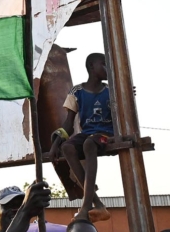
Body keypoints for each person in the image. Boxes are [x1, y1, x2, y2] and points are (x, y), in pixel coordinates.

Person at [49, 53, 113, 224]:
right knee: (68, 147)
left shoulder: (111, 90)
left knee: (89, 144)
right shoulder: (76, 92)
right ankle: (97, 203)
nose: (108, 67)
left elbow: (123, 107)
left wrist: (126, 91)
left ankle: (86, 206)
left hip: (107, 134)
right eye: (104, 63)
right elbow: (69, 123)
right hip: (88, 134)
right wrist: (56, 143)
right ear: (92, 66)